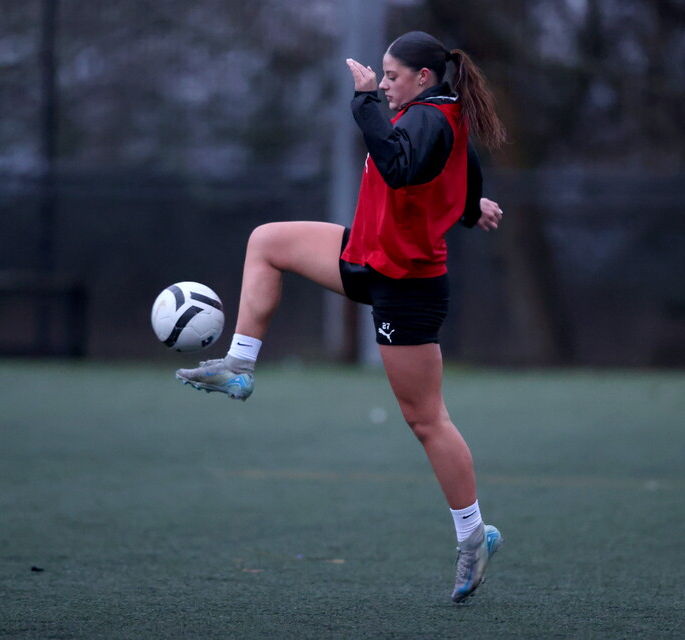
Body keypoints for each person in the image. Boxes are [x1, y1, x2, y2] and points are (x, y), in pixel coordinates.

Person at [176, 30, 506, 603]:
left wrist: (363, 104)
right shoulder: (435, 112)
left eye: (391, 75)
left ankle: (473, 536)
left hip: (406, 287)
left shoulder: (425, 118)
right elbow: (465, 170)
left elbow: (402, 167)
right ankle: (240, 365)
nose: (383, 82)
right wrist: (471, 205)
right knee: (268, 241)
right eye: (380, 74)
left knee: (426, 420)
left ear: (423, 78)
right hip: (365, 256)